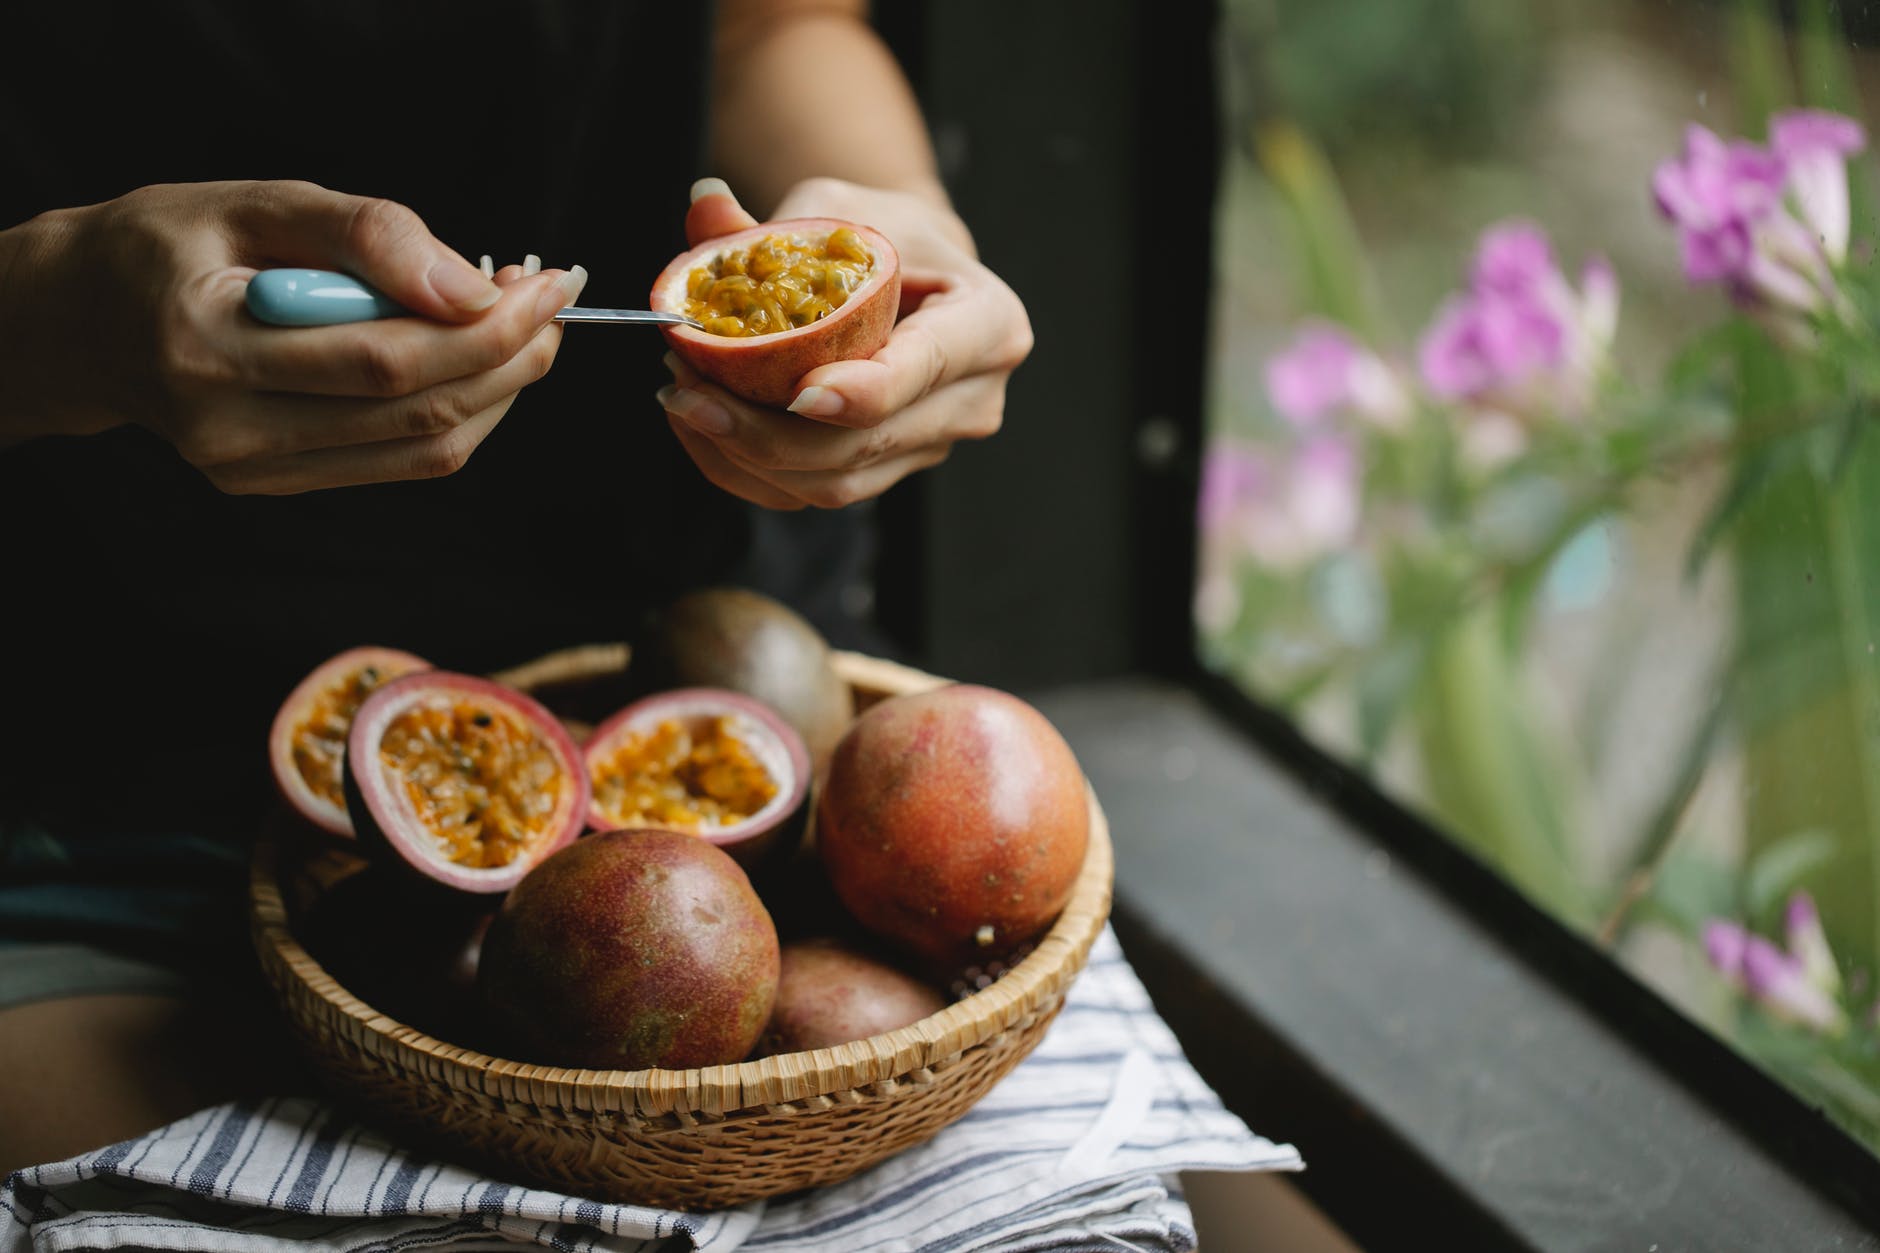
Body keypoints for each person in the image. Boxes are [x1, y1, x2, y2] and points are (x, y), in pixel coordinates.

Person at [0, 0, 1031, 1172]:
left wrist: (896, 216)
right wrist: (47, 314)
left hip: (760, 754)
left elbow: (769, 26)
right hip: (109, 777)